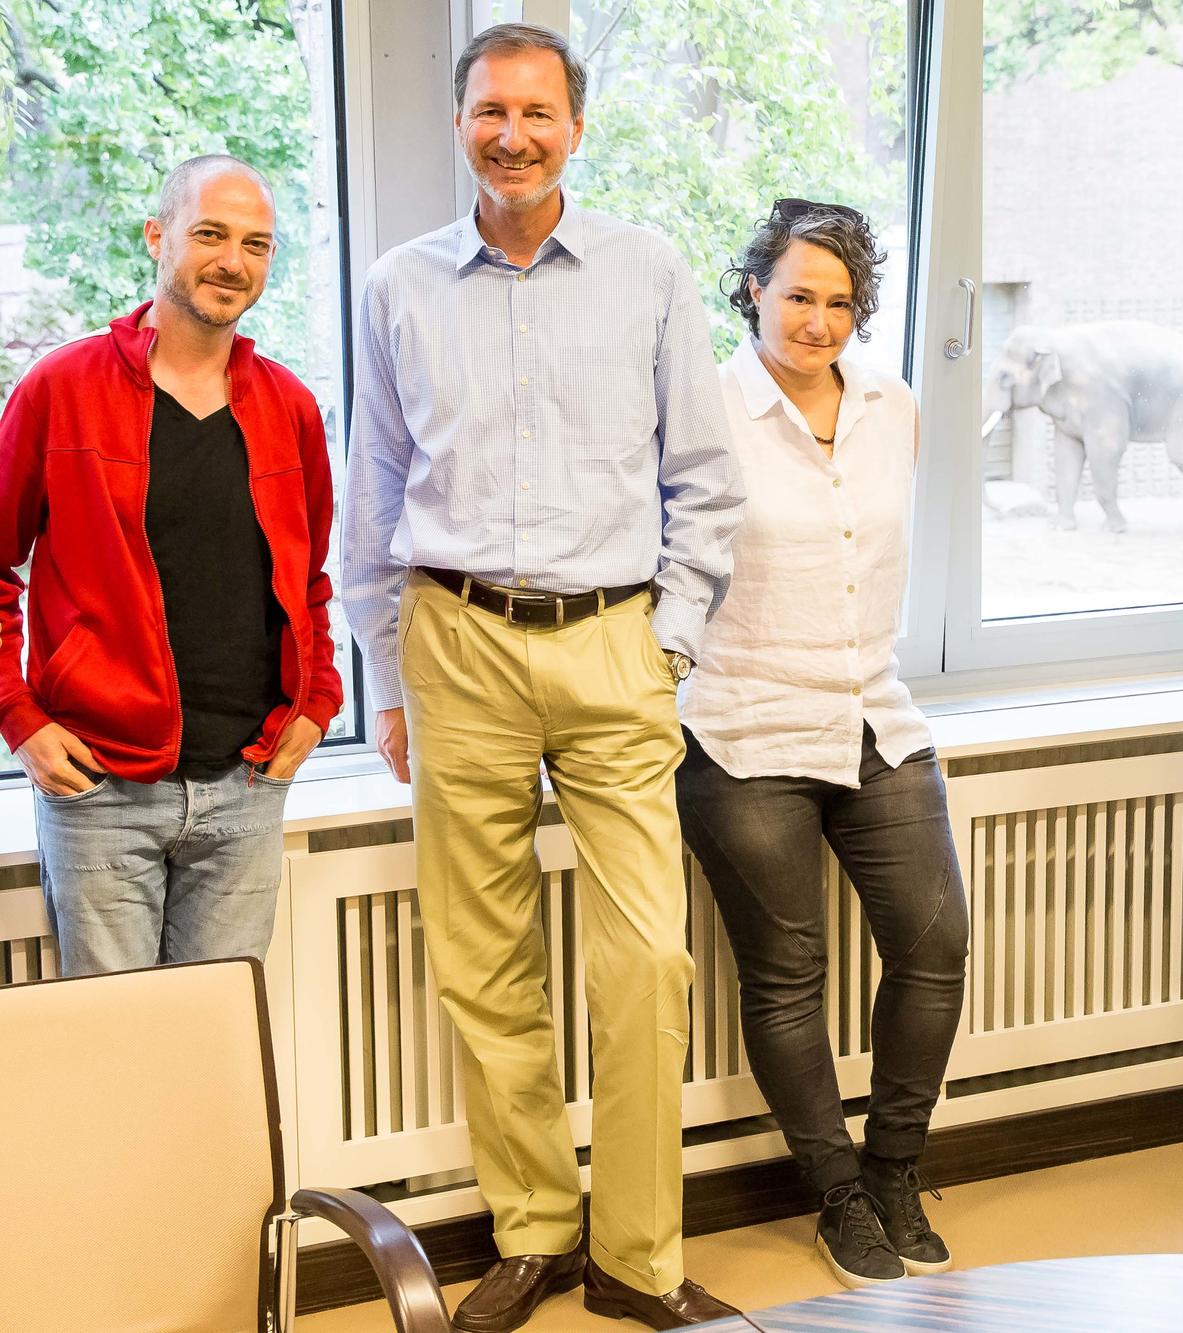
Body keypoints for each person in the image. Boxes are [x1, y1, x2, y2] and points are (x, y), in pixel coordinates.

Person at [341, 23, 743, 1332]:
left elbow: (705, 480)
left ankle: (638, 1255)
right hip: (453, 639)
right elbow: (377, 486)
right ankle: (529, 1232)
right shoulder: (400, 284)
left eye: (536, 112)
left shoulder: (649, 271)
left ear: (576, 127)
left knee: (646, 960)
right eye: (488, 111)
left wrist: (667, 640)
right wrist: (383, 676)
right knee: (484, 958)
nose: (511, 133)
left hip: (614, 640)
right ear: (459, 123)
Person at [675, 198, 969, 1290]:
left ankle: (896, 1168)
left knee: (935, 946)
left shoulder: (894, 404)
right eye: (797, 295)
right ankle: (835, 1190)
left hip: (872, 714)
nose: (818, 321)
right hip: (741, 728)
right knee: (787, 972)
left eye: (840, 302)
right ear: (752, 288)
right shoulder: (702, 404)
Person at [0, 154, 339, 977]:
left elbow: (309, 583)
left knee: (223, 1049)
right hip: (102, 791)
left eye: (256, 245)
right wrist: (20, 718)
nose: (233, 261)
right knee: (122, 1053)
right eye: (210, 234)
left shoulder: (288, 406)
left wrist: (319, 702)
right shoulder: (60, 389)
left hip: (246, 785)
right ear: (158, 237)